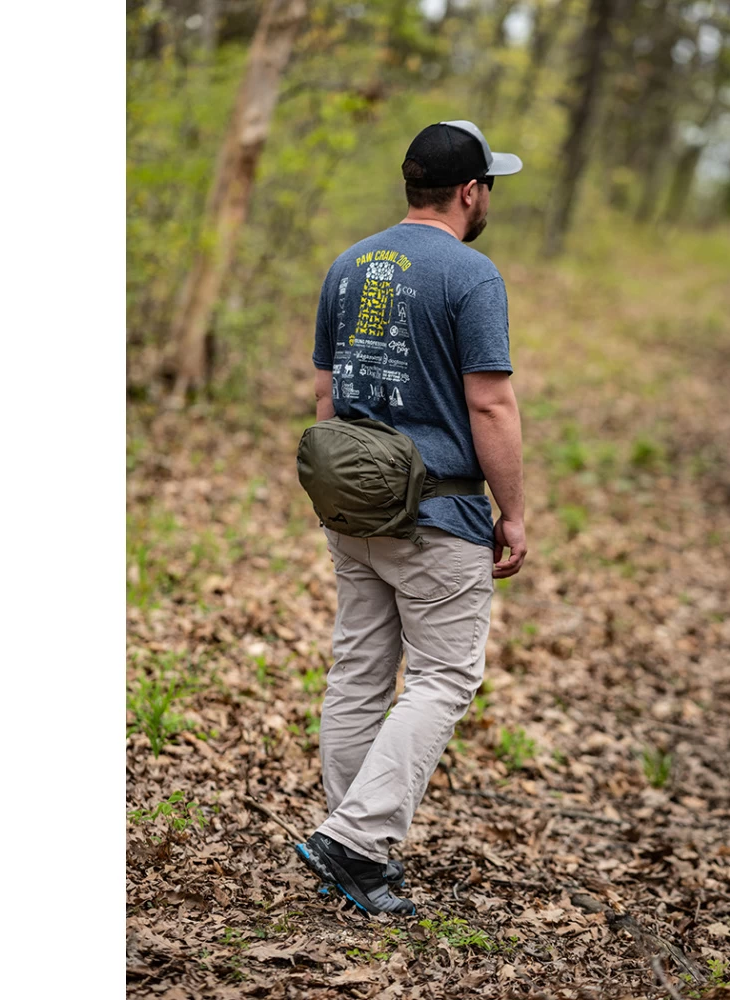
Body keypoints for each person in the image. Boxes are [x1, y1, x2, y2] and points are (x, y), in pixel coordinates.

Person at [295, 121, 528, 915]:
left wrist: (344, 493)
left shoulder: (348, 264)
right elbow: (489, 404)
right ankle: (357, 841)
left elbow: (326, 395)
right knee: (444, 676)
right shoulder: (472, 275)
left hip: (352, 503)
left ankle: (350, 851)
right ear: (470, 191)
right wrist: (513, 512)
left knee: (359, 673)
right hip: (439, 510)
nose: (488, 198)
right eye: (489, 185)